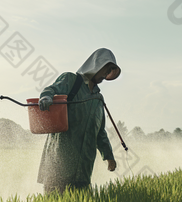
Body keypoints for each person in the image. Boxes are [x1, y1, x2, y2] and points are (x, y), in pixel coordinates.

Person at [36, 48, 120, 193]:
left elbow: (100, 132)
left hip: (84, 166)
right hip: (60, 159)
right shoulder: (71, 81)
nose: (105, 76)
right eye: (105, 71)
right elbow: (51, 89)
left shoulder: (98, 98)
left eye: (108, 73)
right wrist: (46, 97)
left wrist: (108, 156)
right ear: (96, 65)